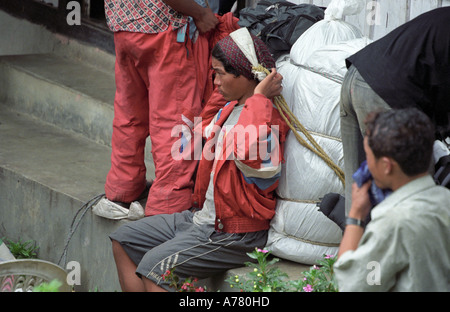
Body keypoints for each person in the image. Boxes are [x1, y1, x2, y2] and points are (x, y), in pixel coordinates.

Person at [109, 28, 289, 292]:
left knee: (155, 268)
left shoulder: (267, 120)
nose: (215, 81)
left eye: (220, 73)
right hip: (201, 219)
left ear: (246, 75)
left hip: (235, 234)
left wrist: (260, 97)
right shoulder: (229, 109)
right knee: (124, 239)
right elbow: (203, 129)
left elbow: (251, 159)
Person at [93, 0, 221, 220]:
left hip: (124, 27)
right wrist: (200, 14)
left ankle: (121, 192)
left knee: (129, 114)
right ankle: (168, 204)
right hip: (163, 31)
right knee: (173, 120)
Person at [340, 7, 450, 213]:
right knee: (414, 194)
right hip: (385, 93)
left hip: (356, 75)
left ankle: (354, 241)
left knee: (357, 192)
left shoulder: (442, 18)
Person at [334, 108, 450, 292]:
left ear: (387, 166)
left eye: (368, 156)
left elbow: (354, 285)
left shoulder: (391, 223)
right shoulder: (445, 199)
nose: (366, 165)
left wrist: (355, 215)